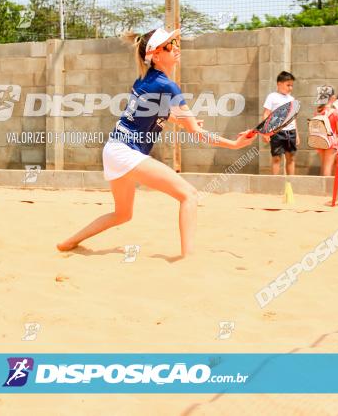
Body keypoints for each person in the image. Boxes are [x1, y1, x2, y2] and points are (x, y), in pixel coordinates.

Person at [56, 28, 255, 257]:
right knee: (188, 195)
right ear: (157, 55)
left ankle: (68, 243)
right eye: (170, 45)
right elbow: (196, 133)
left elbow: (150, 112)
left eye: (176, 43)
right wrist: (234, 144)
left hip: (114, 148)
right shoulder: (167, 86)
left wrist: (179, 120)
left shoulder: (146, 79)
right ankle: (188, 258)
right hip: (125, 152)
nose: (177, 48)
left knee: (122, 214)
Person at [262, 71, 298, 176]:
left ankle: (291, 182)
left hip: (291, 132)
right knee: (276, 158)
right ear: (279, 84)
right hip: (277, 132)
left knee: (291, 158)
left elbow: (293, 118)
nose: (290, 88)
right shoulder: (272, 97)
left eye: (291, 85)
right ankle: (275, 184)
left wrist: (297, 134)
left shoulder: (292, 99)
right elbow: (266, 114)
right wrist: (265, 132)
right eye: (288, 85)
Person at [312, 86, 338, 176]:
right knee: (328, 168)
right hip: (331, 141)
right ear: (333, 98)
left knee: (324, 166)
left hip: (320, 141)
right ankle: (327, 190)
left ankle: (322, 188)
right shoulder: (335, 112)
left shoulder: (317, 112)